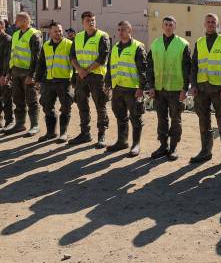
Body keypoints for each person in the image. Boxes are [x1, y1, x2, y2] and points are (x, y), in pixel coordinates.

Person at [190, 13, 221, 169]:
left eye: (213, 22)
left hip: (218, 91)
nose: (210, 24)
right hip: (202, 90)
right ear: (204, 24)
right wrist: (194, 85)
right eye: (208, 22)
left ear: (218, 25)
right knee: (204, 123)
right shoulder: (199, 42)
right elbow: (194, 66)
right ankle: (205, 152)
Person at [146, 16, 191, 161]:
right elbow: (150, 67)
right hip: (159, 89)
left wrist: (185, 89)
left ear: (175, 26)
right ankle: (163, 146)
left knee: (175, 119)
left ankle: (173, 147)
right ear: (162, 26)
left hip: (176, 89)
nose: (168, 27)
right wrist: (151, 86)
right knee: (161, 119)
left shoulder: (182, 44)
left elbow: (187, 69)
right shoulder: (155, 44)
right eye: (165, 24)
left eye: (171, 24)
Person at [105, 20, 148, 156]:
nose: (120, 32)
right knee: (120, 116)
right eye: (119, 30)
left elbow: (143, 70)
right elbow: (110, 67)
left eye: (123, 29)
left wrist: (141, 88)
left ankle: (136, 145)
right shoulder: (116, 47)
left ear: (130, 31)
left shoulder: (138, 47)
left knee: (136, 117)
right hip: (118, 88)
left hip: (132, 89)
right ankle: (122, 141)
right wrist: (108, 84)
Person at [69, 11, 111, 148]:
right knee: (82, 104)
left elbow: (102, 58)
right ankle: (85, 133)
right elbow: (72, 57)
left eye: (93, 20)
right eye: (88, 20)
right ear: (82, 22)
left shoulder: (103, 36)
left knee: (100, 105)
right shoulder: (78, 37)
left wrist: (86, 70)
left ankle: (102, 135)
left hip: (96, 76)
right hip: (81, 76)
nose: (91, 22)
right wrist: (80, 70)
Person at [34, 22, 74, 142]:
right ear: (50, 33)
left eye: (60, 31)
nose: (59, 33)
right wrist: (38, 80)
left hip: (64, 81)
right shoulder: (46, 46)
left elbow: (75, 62)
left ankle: (63, 133)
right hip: (49, 81)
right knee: (47, 106)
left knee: (66, 107)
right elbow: (41, 63)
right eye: (56, 31)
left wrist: (74, 80)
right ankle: (50, 133)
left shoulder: (69, 44)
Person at [5, 12, 42, 136]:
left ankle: (35, 125)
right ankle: (20, 124)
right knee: (18, 99)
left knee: (31, 100)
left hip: (27, 73)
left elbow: (36, 58)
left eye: (18, 20)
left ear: (26, 21)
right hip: (16, 72)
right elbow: (12, 54)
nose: (15, 21)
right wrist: (9, 72)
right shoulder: (15, 34)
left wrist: (32, 75)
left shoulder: (34, 35)